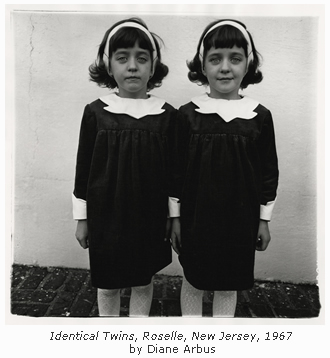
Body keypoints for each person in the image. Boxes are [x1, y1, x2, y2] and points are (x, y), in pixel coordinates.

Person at [171, 19, 279, 317]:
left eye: (235, 58)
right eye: (215, 59)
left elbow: (268, 172)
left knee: (228, 281)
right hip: (196, 217)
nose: (225, 67)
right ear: (202, 66)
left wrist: (263, 220)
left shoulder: (259, 116)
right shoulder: (188, 115)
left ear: (248, 65)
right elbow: (175, 173)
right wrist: (175, 218)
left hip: (239, 220)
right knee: (194, 277)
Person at [72, 18, 179, 317]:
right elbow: (84, 169)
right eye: (123, 58)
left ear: (152, 66)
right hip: (107, 214)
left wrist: (173, 216)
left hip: (148, 215)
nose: (132, 66)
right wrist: (82, 218)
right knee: (108, 282)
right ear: (109, 66)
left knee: (142, 279)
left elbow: (174, 174)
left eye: (141, 58)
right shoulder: (96, 113)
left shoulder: (165, 115)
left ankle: (137, 331)